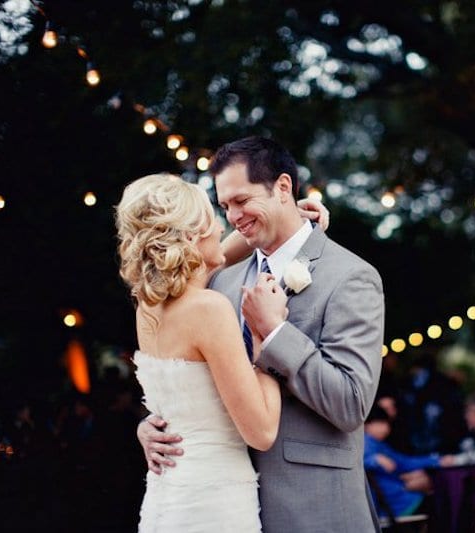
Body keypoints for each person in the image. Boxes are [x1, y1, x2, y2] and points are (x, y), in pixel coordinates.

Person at [137, 136, 386, 532]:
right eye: (224, 206)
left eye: (242, 201)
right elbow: (197, 375)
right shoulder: (219, 281)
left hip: (312, 508)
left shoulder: (350, 277)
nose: (233, 216)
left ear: (283, 187)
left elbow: (351, 404)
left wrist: (274, 333)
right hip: (223, 504)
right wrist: (155, 424)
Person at [116, 173, 284, 531]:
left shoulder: (147, 307)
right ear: (192, 237)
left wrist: (288, 216)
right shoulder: (208, 309)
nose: (223, 228)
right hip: (215, 503)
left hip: (170, 495)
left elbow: (215, 257)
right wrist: (264, 338)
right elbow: (262, 432)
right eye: (214, 219)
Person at [364, 406, 456, 519]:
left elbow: (402, 462)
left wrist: (435, 460)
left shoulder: (377, 444)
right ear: (367, 424)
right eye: (381, 423)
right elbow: (403, 463)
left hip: (395, 501)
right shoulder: (368, 443)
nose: (387, 428)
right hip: (399, 502)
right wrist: (374, 459)